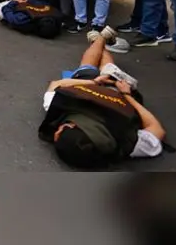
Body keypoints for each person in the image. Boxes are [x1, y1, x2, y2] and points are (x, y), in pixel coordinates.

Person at [39, 29, 166, 168]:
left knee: (88, 67)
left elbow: (56, 85)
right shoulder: (126, 141)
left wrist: (95, 82)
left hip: (94, 86)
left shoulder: (121, 145)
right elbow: (157, 129)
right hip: (118, 91)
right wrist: (127, 95)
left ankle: (99, 41)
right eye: (60, 130)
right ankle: (101, 39)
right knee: (108, 68)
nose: (56, 131)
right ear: (74, 126)